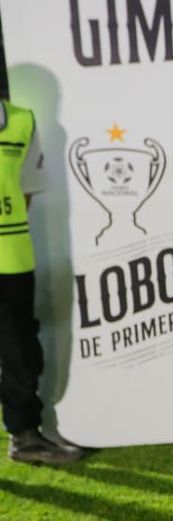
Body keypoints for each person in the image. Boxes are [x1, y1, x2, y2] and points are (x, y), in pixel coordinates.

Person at [1, 98, 83, 466]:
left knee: (20, 350)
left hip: (12, 256)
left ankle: (26, 437)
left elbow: (27, 189)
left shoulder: (21, 120)